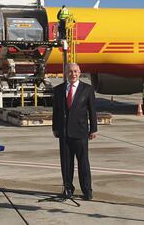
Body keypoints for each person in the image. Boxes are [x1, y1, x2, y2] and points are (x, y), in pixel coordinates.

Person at [52, 63, 98, 201]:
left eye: (76, 71)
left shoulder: (87, 89)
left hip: (80, 132)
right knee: (66, 164)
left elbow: (92, 111)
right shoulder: (59, 90)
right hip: (64, 132)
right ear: (66, 73)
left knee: (83, 163)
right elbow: (56, 111)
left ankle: (87, 190)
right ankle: (68, 189)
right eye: (70, 71)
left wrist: (93, 129)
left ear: (80, 72)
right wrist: (55, 128)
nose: (73, 74)